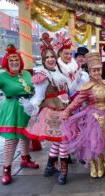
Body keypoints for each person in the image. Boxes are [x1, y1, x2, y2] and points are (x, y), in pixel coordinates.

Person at [21, 32, 73, 185]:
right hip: (52, 111)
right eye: (47, 57)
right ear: (43, 60)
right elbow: (38, 97)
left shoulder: (58, 72)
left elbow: (68, 90)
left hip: (64, 108)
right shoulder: (42, 76)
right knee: (63, 140)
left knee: (58, 141)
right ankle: (63, 170)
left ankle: (50, 166)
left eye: (52, 56)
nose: (50, 59)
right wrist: (32, 107)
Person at [61, 52, 105, 179]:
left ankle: (101, 164)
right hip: (93, 117)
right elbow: (76, 102)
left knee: (104, 142)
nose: (97, 73)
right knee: (92, 142)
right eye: (94, 70)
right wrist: (67, 111)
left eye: (99, 70)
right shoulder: (86, 87)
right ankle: (92, 164)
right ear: (90, 71)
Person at [0, 45, 39, 185]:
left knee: (26, 135)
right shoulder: (1, 76)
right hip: (11, 109)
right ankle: (6, 169)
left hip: (26, 107)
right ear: (6, 62)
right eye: (11, 60)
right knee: (11, 139)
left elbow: (33, 88)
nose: (14, 62)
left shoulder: (26, 74)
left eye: (17, 60)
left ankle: (25, 159)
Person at [54, 32, 89, 97]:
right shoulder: (56, 68)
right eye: (66, 54)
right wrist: (76, 81)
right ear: (60, 53)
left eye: (70, 54)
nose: (69, 56)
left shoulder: (76, 68)